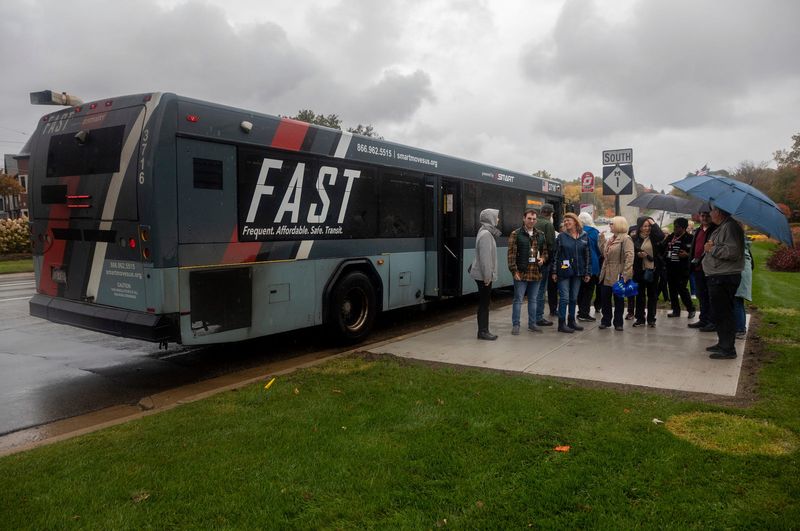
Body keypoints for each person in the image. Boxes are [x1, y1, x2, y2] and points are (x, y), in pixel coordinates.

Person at [703, 205, 745, 359]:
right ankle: (723, 343)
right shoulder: (724, 226)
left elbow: (732, 252)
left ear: (718, 212)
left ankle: (728, 348)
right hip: (718, 275)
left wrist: (711, 249)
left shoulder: (731, 227)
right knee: (720, 312)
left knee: (725, 312)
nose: (710, 214)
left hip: (724, 277)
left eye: (712, 211)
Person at [507, 209, 548, 335]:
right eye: (529, 218)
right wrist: (514, 271)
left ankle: (532, 324)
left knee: (533, 299)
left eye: (534, 219)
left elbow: (545, 252)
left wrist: (543, 259)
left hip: (536, 272)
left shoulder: (540, 234)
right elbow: (511, 255)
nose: (532, 221)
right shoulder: (516, 234)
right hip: (521, 272)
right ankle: (516, 325)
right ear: (524, 219)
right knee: (518, 299)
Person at [551, 212, 590, 333]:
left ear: (575, 222)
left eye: (569, 220)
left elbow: (587, 255)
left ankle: (572, 321)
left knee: (573, 298)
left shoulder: (584, 235)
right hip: (564, 271)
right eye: (565, 221)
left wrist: (587, 272)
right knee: (564, 298)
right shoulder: (561, 237)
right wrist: (554, 271)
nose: (566, 223)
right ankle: (561, 324)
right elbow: (555, 255)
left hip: (578, 272)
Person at [469, 208, 501, 340]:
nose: (498, 219)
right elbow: (485, 258)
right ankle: (483, 331)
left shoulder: (483, 231)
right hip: (484, 276)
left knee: (484, 303)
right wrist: (487, 277)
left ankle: (483, 330)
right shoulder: (486, 235)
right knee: (484, 304)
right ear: (491, 218)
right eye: (496, 217)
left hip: (482, 274)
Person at [598, 216, 634, 331]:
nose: (610, 225)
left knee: (618, 299)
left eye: (612, 223)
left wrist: (626, 274)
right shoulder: (611, 238)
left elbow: (630, 256)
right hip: (606, 272)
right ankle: (606, 320)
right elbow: (604, 254)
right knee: (605, 298)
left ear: (619, 225)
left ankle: (618, 323)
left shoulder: (626, 239)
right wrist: (602, 240)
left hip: (618, 272)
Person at [688, 206, 718, 331]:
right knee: (701, 295)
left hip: (709, 268)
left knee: (710, 296)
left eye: (707, 215)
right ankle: (703, 319)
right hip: (697, 267)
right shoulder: (698, 230)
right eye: (702, 215)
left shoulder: (715, 230)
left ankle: (711, 321)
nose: (704, 218)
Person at [632, 216, 664, 327]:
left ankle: (651, 318)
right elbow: (630, 254)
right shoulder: (634, 238)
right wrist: (638, 255)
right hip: (639, 270)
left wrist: (653, 223)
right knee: (640, 295)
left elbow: (661, 235)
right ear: (639, 227)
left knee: (652, 295)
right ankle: (640, 318)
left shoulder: (654, 237)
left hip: (653, 271)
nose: (647, 228)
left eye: (649, 226)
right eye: (645, 226)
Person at [664, 217, 696, 318]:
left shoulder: (690, 238)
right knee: (672, 290)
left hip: (682, 269)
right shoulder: (671, 237)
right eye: (674, 226)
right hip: (670, 268)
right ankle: (675, 310)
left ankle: (691, 309)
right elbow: (663, 247)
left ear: (684, 228)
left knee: (682, 289)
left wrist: (687, 255)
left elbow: (694, 253)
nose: (675, 229)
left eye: (677, 227)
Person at [534, 204, 556, 327]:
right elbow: (551, 244)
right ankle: (539, 317)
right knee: (541, 290)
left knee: (534, 290)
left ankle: (533, 316)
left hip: (533, 261)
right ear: (551, 214)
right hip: (544, 261)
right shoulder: (548, 225)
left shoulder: (534, 222)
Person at [577, 212, 601, 321]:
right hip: (593, 263)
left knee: (580, 289)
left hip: (579, 263)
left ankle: (580, 310)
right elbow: (599, 249)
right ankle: (584, 313)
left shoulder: (576, 231)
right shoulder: (594, 232)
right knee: (589, 289)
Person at [734, 235, 753, 340]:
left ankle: (740, 329)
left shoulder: (739, 247)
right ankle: (739, 327)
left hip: (739, 275)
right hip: (740, 274)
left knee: (736, 301)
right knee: (737, 302)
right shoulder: (743, 245)